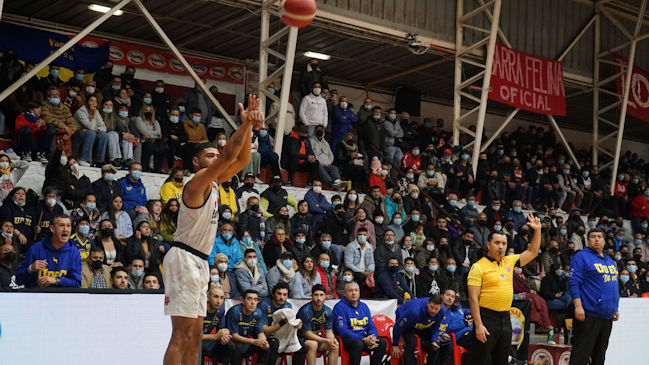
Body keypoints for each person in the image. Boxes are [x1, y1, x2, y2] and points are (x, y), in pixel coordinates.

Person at [162, 94, 263, 365]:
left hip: (198, 260)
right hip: (184, 257)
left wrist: (250, 126)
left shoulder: (216, 183)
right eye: (210, 155)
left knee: (195, 335)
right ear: (196, 162)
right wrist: (243, 126)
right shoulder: (196, 182)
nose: (217, 158)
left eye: (216, 155)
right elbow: (230, 153)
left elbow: (240, 161)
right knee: (181, 335)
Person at [467, 212, 541, 365]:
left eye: (504, 243)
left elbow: (533, 252)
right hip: (486, 318)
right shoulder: (478, 267)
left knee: (502, 360)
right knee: (480, 360)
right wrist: (478, 324)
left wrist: (537, 230)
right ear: (488, 244)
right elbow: (473, 298)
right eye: (497, 243)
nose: (501, 246)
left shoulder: (510, 261)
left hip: (505, 319)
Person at [568, 228, 620, 365]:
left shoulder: (609, 260)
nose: (596, 239)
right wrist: (578, 306)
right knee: (581, 355)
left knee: (599, 356)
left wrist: (615, 308)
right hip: (588, 314)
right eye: (593, 236)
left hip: (607, 316)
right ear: (587, 240)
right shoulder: (581, 257)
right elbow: (573, 283)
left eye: (599, 236)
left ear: (604, 240)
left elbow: (613, 284)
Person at [15, 214, 82, 288]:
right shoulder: (36, 249)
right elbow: (18, 280)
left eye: (68, 226)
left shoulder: (74, 252)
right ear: (52, 228)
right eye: (61, 225)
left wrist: (57, 280)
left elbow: (77, 284)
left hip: (62, 298)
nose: (65, 229)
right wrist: (31, 269)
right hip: (37, 297)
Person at [333, 281, 387, 365]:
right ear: (344, 293)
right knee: (358, 344)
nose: (354, 293)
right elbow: (342, 331)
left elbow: (371, 326)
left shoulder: (364, 306)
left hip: (363, 339)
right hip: (346, 340)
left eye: (356, 290)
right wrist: (363, 339)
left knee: (382, 343)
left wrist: (372, 337)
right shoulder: (339, 307)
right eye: (350, 291)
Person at [391, 294, 445, 364]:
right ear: (428, 303)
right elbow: (398, 326)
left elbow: (436, 326)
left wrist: (433, 340)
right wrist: (395, 344)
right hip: (407, 322)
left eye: (436, 309)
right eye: (431, 307)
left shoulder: (442, 311)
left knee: (435, 346)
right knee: (411, 343)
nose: (433, 311)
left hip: (422, 324)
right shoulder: (414, 311)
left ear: (440, 307)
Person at [294, 284, 340, 365]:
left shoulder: (328, 311)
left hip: (316, 339)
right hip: (300, 339)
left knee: (335, 346)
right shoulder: (305, 311)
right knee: (313, 344)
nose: (319, 298)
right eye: (316, 295)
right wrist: (326, 340)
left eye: (321, 295)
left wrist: (331, 341)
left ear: (325, 296)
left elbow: (329, 332)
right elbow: (307, 334)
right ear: (312, 296)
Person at [226, 289, 272, 365]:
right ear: (243, 301)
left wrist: (263, 342)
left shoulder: (258, 313)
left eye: (255, 299)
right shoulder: (235, 311)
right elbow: (234, 336)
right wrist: (253, 341)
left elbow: (260, 333)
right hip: (234, 342)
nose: (252, 302)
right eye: (249, 299)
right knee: (238, 347)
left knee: (266, 348)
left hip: (248, 342)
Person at [202, 286, 236, 365]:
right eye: (216, 297)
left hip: (208, 340)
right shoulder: (200, 309)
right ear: (208, 297)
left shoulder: (221, 310)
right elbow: (195, 336)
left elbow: (221, 329)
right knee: (202, 346)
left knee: (229, 345)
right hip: (195, 341)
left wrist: (224, 335)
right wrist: (216, 336)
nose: (219, 301)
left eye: (221, 298)